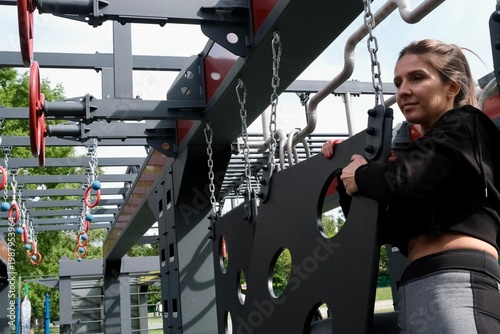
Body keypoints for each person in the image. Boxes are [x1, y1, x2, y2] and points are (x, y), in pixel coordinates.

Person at [322, 39, 500, 333]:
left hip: (454, 281)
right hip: (418, 285)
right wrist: (344, 172)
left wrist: (363, 174)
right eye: (399, 81)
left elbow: (397, 180)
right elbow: (380, 229)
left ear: (452, 87)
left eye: (417, 77)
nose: (403, 90)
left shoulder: (465, 125)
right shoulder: (430, 164)